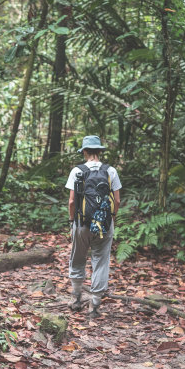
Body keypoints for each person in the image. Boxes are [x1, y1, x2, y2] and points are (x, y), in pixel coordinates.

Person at [65, 135, 121, 318]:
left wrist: (72, 221)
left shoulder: (77, 171)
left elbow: (72, 201)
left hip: (81, 223)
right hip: (105, 224)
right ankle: (94, 306)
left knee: (78, 258)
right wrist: (111, 218)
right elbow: (117, 200)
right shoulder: (110, 170)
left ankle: (76, 299)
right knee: (101, 261)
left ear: (85, 151)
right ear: (99, 151)